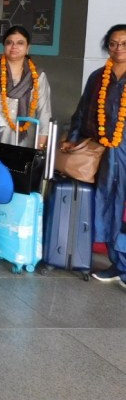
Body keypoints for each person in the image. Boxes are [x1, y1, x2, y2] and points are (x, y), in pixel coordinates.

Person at [61, 24, 126, 285]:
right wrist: (73, 138)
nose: (119, 48)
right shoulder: (98, 77)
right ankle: (118, 263)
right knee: (107, 205)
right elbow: (82, 111)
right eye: (113, 43)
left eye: (124, 43)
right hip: (103, 153)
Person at [0, 24, 52, 149]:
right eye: (9, 42)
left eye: (20, 43)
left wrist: (40, 147)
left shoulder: (37, 76)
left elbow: (44, 113)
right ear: (4, 46)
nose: (14, 46)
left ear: (28, 48)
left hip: (25, 141)